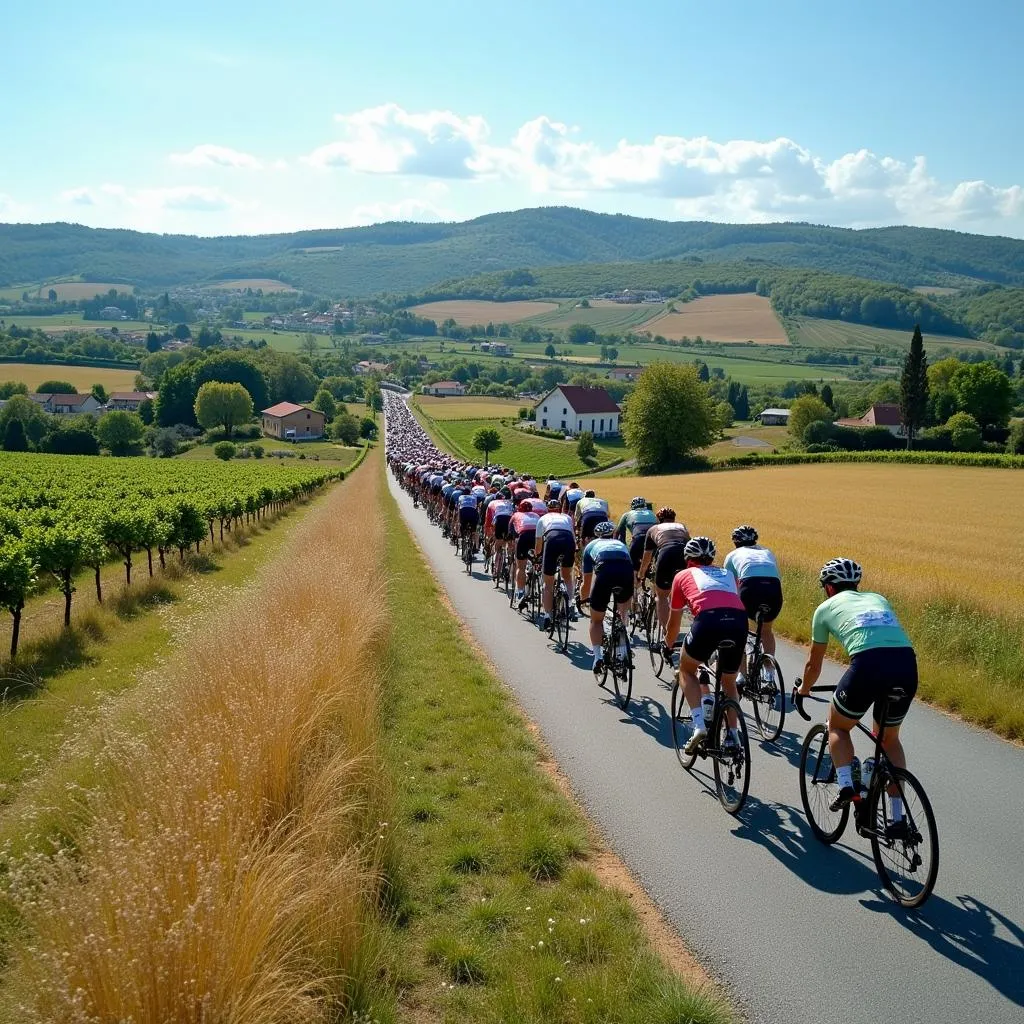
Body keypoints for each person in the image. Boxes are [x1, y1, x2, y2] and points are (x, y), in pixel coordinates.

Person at [796, 559, 918, 835]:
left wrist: (804, 689)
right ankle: (897, 819)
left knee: (838, 725)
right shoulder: (877, 598)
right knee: (889, 739)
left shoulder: (825, 609)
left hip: (869, 665)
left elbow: (813, 665)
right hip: (906, 665)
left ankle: (846, 786)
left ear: (828, 587)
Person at [666, 536, 749, 755]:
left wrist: (667, 645)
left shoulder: (682, 575)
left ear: (688, 559)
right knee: (729, 682)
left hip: (708, 621)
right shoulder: (728, 573)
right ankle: (732, 735)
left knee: (686, 669)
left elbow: (674, 623)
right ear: (711, 558)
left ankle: (699, 725)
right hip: (739, 622)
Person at [723, 525, 783, 679]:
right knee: (766, 631)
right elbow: (777, 577)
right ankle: (769, 672)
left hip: (749, 589)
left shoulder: (732, 555)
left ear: (735, 542)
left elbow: (729, 584)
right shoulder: (767, 552)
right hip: (773, 590)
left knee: (740, 630)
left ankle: (741, 675)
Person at [579, 520, 634, 673]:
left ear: (596, 535)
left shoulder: (590, 546)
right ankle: (623, 638)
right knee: (623, 611)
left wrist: (583, 599)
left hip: (605, 572)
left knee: (596, 620)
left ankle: (598, 657)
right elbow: (630, 574)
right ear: (612, 534)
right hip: (625, 572)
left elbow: (587, 580)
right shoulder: (621, 545)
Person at [636, 508, 691, 634]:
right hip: (685, 555)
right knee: (680, 594)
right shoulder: (682, 526)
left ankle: (667, 633)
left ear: (658, 520)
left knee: (662, 596)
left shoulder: (653, 529)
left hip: (666, 554)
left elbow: (647, 557)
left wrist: (641, 574)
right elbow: (690, 545)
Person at [533, 499, 576, 630]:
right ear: (559, 509)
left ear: (548, 509)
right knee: (567, 575)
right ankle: (569, 605)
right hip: (568, 540)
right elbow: (573, 536)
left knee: (548, 584)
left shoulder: (542, 519)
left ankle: (547, 616)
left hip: (552, 540)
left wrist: (537, 557)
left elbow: (539, 546)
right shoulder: (567, 517)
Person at [615, 496, 658, 607]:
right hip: (654, 540)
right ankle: (653, 592)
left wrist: (622, 545)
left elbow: (618, 532)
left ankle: (634, 596)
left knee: (633, 568)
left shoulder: (627, 514)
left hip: (637, 540)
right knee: (652, 565)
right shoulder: (652, 514)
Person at [509, 500, 541, 609]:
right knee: (538, 561)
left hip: (523, 537)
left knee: (521, 567)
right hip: (536, 538)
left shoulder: (516, 515)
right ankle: (537, 576)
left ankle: (521, 593)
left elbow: (511, 532)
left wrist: (512, 543)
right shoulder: (536, 515)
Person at [484, 490, 515, 581]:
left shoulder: (492, 502)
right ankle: (509, 557)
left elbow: (489, 520)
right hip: (510, 520)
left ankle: (496, 570)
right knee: (509, 542)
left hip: (499, 519)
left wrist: (492, 534)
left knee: (498, 546)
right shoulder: (509, 502)